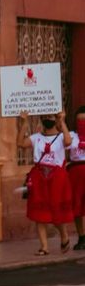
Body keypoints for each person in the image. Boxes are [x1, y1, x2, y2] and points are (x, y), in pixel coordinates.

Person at [17, 110, 73, 255]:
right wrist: (24, 122)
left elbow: (68, 142)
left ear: (55, 119)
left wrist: (62, 121)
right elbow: (20, 143)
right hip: (39, 177)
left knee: (56, 210)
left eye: (50, 116)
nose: (48, 119)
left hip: (57, 178)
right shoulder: (36, 138)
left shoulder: (61, 136)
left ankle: (64, 235)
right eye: (45, 117)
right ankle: (44, 247)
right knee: (39, 212)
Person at [67, 106, 85, 250]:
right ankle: (82, 237)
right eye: (79, 120)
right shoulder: (71, 136)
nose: (81, 123)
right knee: (77, 205)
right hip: (75, 171)